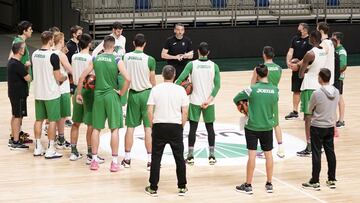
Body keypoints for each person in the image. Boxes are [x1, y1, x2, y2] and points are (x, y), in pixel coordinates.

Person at [76, 35, 130, 172]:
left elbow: (82, 77)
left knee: (96, 129)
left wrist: (78, 94)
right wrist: (121, 93)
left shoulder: (95, 58)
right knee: (114, 129)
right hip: (112, 95)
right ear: (113, 46)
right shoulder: (117, 59)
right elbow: (128, 79)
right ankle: (114, 162)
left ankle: (94, 160)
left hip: (98, 96)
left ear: (103, 46)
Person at [233, 64, 278, 194]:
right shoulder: (275, 90)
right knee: (268, 154)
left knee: (252, 155)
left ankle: (248, 185)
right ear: (267, 73)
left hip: (252, 126)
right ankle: (269, 184)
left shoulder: (251, 89)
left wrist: (245, 108)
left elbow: (236, 99)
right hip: (267, 126)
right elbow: (273, 102)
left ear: (257, 75)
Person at [145, 65, 189, 197]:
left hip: (159, 126)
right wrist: (181, 126)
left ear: (162, 75)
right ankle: (182, 187)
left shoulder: (155, 89)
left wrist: (153, 125)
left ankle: (153, 187)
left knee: (156, 157)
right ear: (174, 75)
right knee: (179, 158)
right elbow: (185, 111)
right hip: (175, 126)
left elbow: (149, 111)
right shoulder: (181, 90)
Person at [175, 42, 221, 165]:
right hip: (208, 103)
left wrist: (172, 88)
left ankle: (190, 157)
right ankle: (212, 156)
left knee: (193, 129)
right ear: (208, 53)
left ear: (198, 52)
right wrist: (209, 100)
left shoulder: (192, 64)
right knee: (210, 129)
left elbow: (180, 80)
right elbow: (217, 86)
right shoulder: (214, 66)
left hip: (195, 101)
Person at [121, 33, 156, 170]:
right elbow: (152, 80)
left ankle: (127, 159)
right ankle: (150, 161)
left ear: (134, 43)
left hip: (133, 94)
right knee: (148, 129)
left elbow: (123, 76)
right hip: (147, 94)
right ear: (145, 44)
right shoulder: (150, 59)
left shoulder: (126, 56)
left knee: (130, 128)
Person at [290, 30, 327, 157]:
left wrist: (298, 65)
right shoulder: (323, 52)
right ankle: (319, 145)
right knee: (318, 117)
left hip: (309, 87)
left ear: (311, 39)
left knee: (308, 118)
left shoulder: (309, 54)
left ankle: (309, 146)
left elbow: (300, 73)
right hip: (320, 86)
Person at [32, 31, 68, 159]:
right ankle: (50, 148)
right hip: (51, 93)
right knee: (52, 121)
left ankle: (37, 147)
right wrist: (65, 77)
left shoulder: (35, 54)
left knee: (39, 120)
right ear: (51, 40)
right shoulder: (53, 56)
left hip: (38, 92)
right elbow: (58, 76)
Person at [302, 68, 339, 190]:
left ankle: (315, 180)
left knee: (317, 154)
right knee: (330, 153)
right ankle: (332, 178)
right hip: (330, 126)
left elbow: (309, 108)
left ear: (321, 78)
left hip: (317, 127)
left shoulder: (316, 93)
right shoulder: (336, 91)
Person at [69, 33, 104, 163]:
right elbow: (93, 77)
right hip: (88, 91)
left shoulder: (74, 56)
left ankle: (73, 152)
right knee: (91, 124)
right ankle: (90, 154)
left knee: (76, 122)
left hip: (77, 90)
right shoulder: (92, 58)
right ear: (89, 44)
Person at [251, 46, 284, 158]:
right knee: (276, 123)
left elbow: (252, 86)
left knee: (264, 123)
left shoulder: (259, 68)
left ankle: (266, 151)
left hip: (261, 97)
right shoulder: (279, 68)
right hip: (273, 96)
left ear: (264, 54)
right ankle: (281, 149)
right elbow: (276, 83)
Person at [92, 21, 128, 111]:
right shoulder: (108, 39)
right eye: (117, 31)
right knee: (112, 88)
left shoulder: (123, 38)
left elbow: (123, 50)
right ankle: (113, 107)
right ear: (113, 30)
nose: (119, 33)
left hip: (120, 65)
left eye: (121, 31)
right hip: (110, 65)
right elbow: (95, 52)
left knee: (123, 85)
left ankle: (122, 109)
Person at [8, 20, 33, 146]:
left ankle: (17, 134)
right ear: (24, 30)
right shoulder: (18, 42)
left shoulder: (20, 41)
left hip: (21, 85)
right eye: (30, 29)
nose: (32, 31)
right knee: (17, 114)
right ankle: (15, 138)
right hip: (19, 84)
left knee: (18, 113)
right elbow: (11, 59)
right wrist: (23, 67)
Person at [285, 23, 313, 120]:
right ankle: (295, 112)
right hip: (296, 69)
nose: (298, 30)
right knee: (296, 90)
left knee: (306, 91)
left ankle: (308, 112)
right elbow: (290, 51)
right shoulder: (295, 38)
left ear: (305, 30)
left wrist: (298, 65)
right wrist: (288, 62)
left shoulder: (310, 40)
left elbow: (307, 56)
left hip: (306, 69)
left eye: (299, 28)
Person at [53, 32, 73, 149]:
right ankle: (61, 139)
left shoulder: (50, 52)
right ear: (61, 41)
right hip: (63, 88)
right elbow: (70, 70)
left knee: (55, 115)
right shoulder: (61, 55)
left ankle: (56, 138)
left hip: (53, 88)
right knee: (62, 116)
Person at [332, 32, 347, 128]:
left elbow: (343, 66)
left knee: (339, 98)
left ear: (338, 40)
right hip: (332, 77)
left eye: (333, 38)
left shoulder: (341, 51)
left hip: (338, 78)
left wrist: (335, 72)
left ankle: (341, 120)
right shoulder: (333, 49)